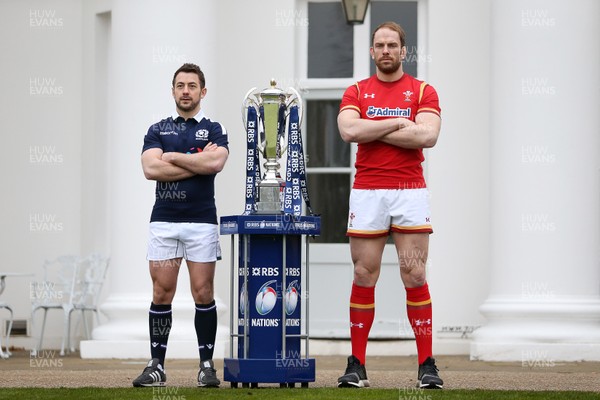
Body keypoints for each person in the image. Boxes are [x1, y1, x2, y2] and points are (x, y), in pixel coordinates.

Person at [336, 22, 443, 389]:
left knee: (414, 275)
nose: (385, 50)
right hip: (368, 191)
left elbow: (427, 135)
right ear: (371, 51)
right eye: (379, 45)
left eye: (392, 45)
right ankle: (357, 365)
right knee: (364, 275)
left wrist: (374, 125)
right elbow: (349, 132)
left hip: (409, 190)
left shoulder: (423, 90)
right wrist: (399, 121)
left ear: (403, 51)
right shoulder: (357, 90)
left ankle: (427, 364)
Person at [133, 63, 229, 388]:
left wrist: (172, 157)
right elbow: (150, 169)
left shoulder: (215, 129)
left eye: (191, 86)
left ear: (203, 92)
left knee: (203, 292)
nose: (185, 91)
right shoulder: (157, 129)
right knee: (162, 292)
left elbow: (216, 162)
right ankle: (156, 366)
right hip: (164, 221)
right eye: (180, 86)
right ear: (173, 91)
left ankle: (206, 366)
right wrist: (196, 162)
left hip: (202, 221)